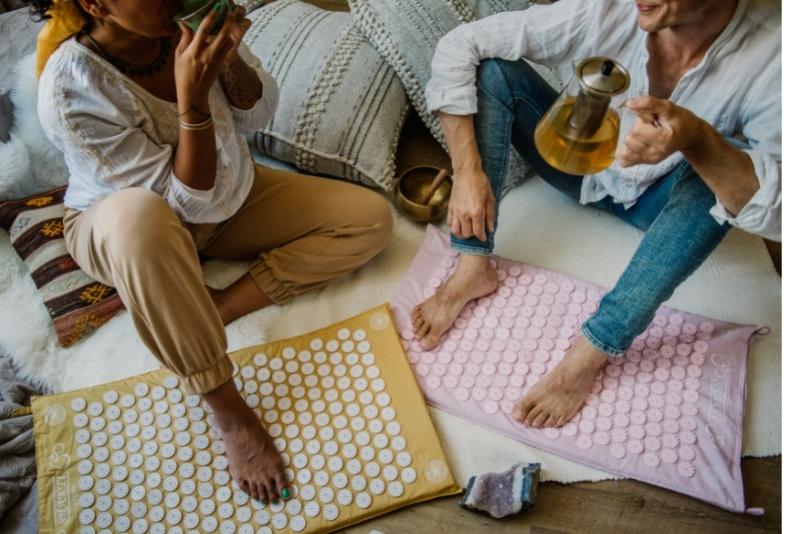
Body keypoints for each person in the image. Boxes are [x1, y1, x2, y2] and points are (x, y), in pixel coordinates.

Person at [32, 0, 392, 502]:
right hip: (130, 226)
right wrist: (193, 99)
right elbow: (179, 201)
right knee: (141, 218)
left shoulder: (183, 25)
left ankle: (215, 307)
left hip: (225, 198)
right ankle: (225, 406)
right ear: (94, 4)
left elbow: (256, 116)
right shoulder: (72, 87)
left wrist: (230, 56)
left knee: (368, 219)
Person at [415, 0, 780, 428]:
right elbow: (461, 45)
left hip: (661, 201)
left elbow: (779, 214)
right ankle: (473, 264)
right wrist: (466, 172)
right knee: (494, 72)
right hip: (580, 168)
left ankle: (592, 350)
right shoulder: (613, 7)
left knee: (726, 163)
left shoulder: (776, 54)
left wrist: (697, 139)